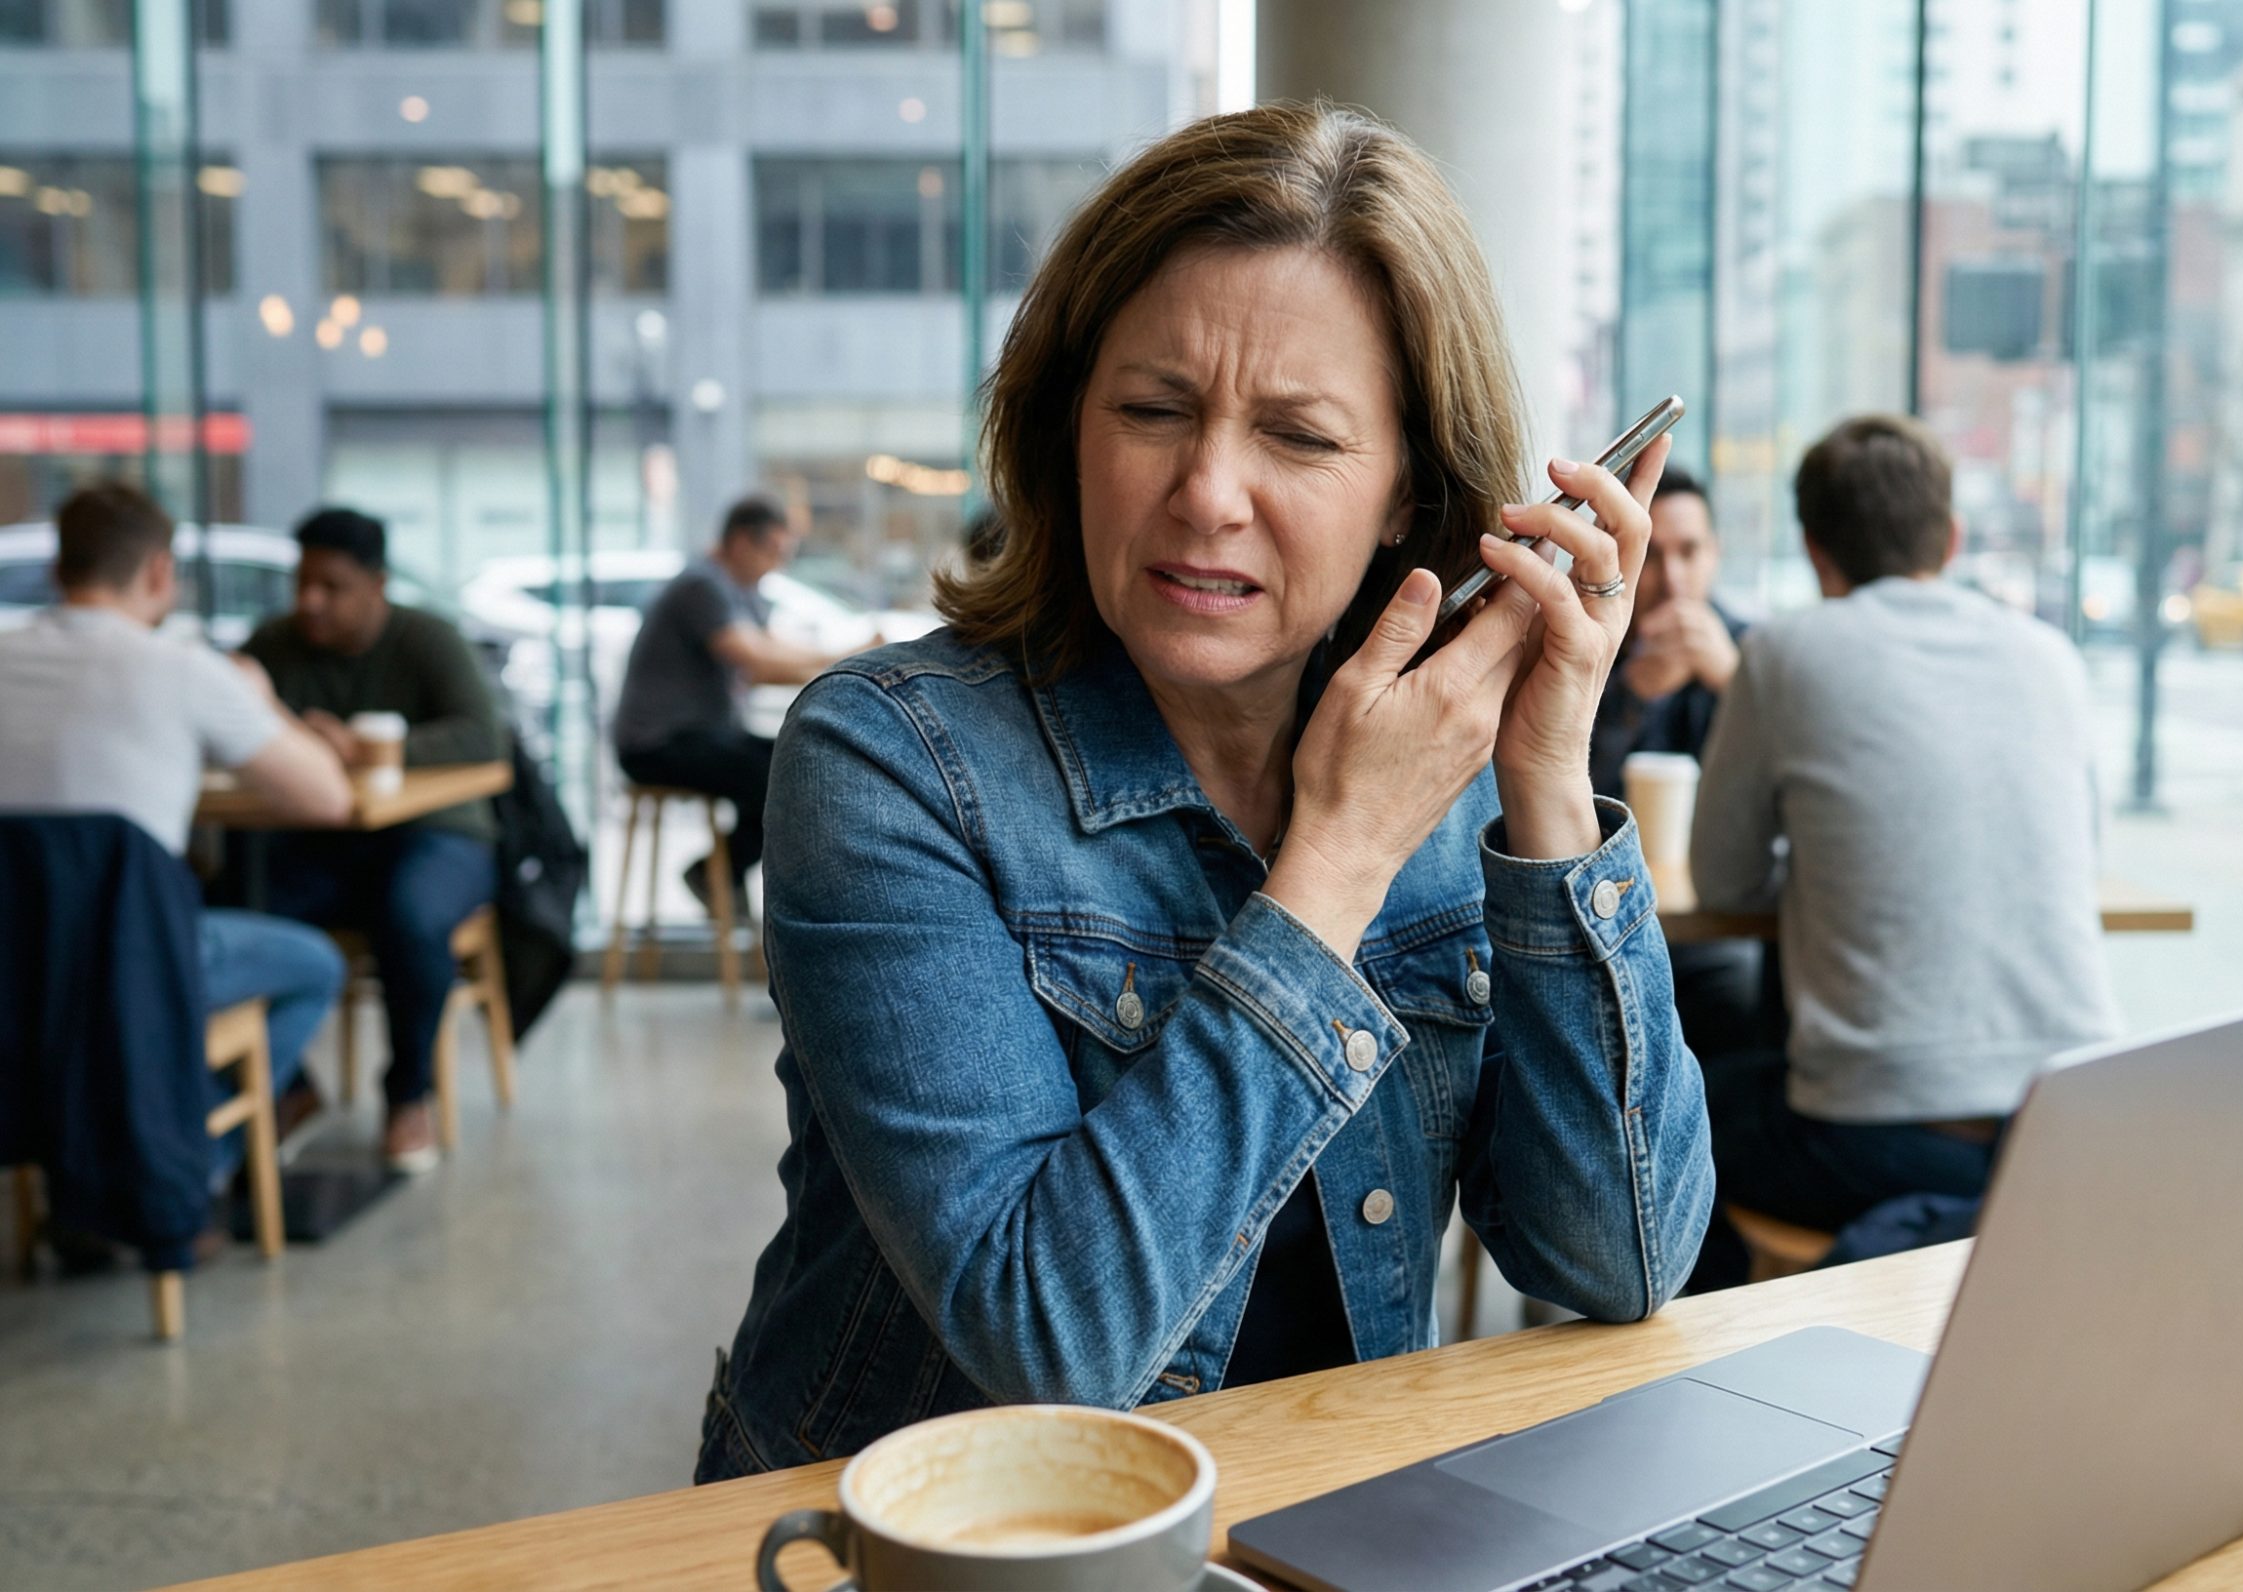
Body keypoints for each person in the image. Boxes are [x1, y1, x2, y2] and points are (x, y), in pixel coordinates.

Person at [695, 101, 1713, 1480]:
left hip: (1318, 1513)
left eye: (1298, 436)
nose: (1208, 492)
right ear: (1068, 430)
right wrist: (1340, 856)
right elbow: (1053, 1341)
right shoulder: (889, 760)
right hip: (941, 1541)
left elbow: (1619, 1258)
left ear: (1407, 493)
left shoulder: (1451, 759)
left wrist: (1542, 781)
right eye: (1154, 410)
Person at [1682, 414, 2120, 1288]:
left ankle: (1731, 1354)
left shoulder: (1780, 653)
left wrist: (1820, 874)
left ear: (1815, 550)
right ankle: (1937, 1237)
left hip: (1868, 1136)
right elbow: (2088, 855)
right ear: (1951, 538)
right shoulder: (2052, 657)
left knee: (1665, 1120)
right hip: (2072, 1129)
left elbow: (1723, 879)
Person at [0, 482, 352, 1176]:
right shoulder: (186, 671)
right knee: (315, 966)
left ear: (57, 570)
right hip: (134, 963)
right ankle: (195, 1164)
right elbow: (328, 799)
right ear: (160, 572)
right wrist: (265, 703)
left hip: (11, 968)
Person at [242, 506, 508, 1172]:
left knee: (412, 914)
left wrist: (367, 748)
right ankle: (293, 1087)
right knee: (237, 906)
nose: (311, 602)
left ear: (377, 584)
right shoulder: (272, 646)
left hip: (440, 832)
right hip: (322, 836)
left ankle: (407, 1094)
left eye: (331, 588)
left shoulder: (427, 640)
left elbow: (483, 737)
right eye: (302, 585)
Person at [1586, 465, 1770, 1062]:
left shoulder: (1754, 656)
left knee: (1739, 999)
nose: (1673, 579)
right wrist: (1631, 700)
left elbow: (1792, 789)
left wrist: (1731, 684)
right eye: (1654, 556)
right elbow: (1567, 799)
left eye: (1690, 552)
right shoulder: (1588, 657)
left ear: (1715, 554)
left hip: (1721, 930)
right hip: (1610, 925)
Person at [612, 496, 841, 911]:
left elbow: (769, 655)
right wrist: (841, 659)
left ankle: (719, 870)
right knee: (787, 770)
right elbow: (752, 657)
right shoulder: (702, 585)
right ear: (739, 542)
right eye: (772, 551)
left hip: (699, 736)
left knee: (793, 760)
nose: (777, 564)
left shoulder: (740, 591)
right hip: (656, 744)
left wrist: (839, 660)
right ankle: (719, 871)